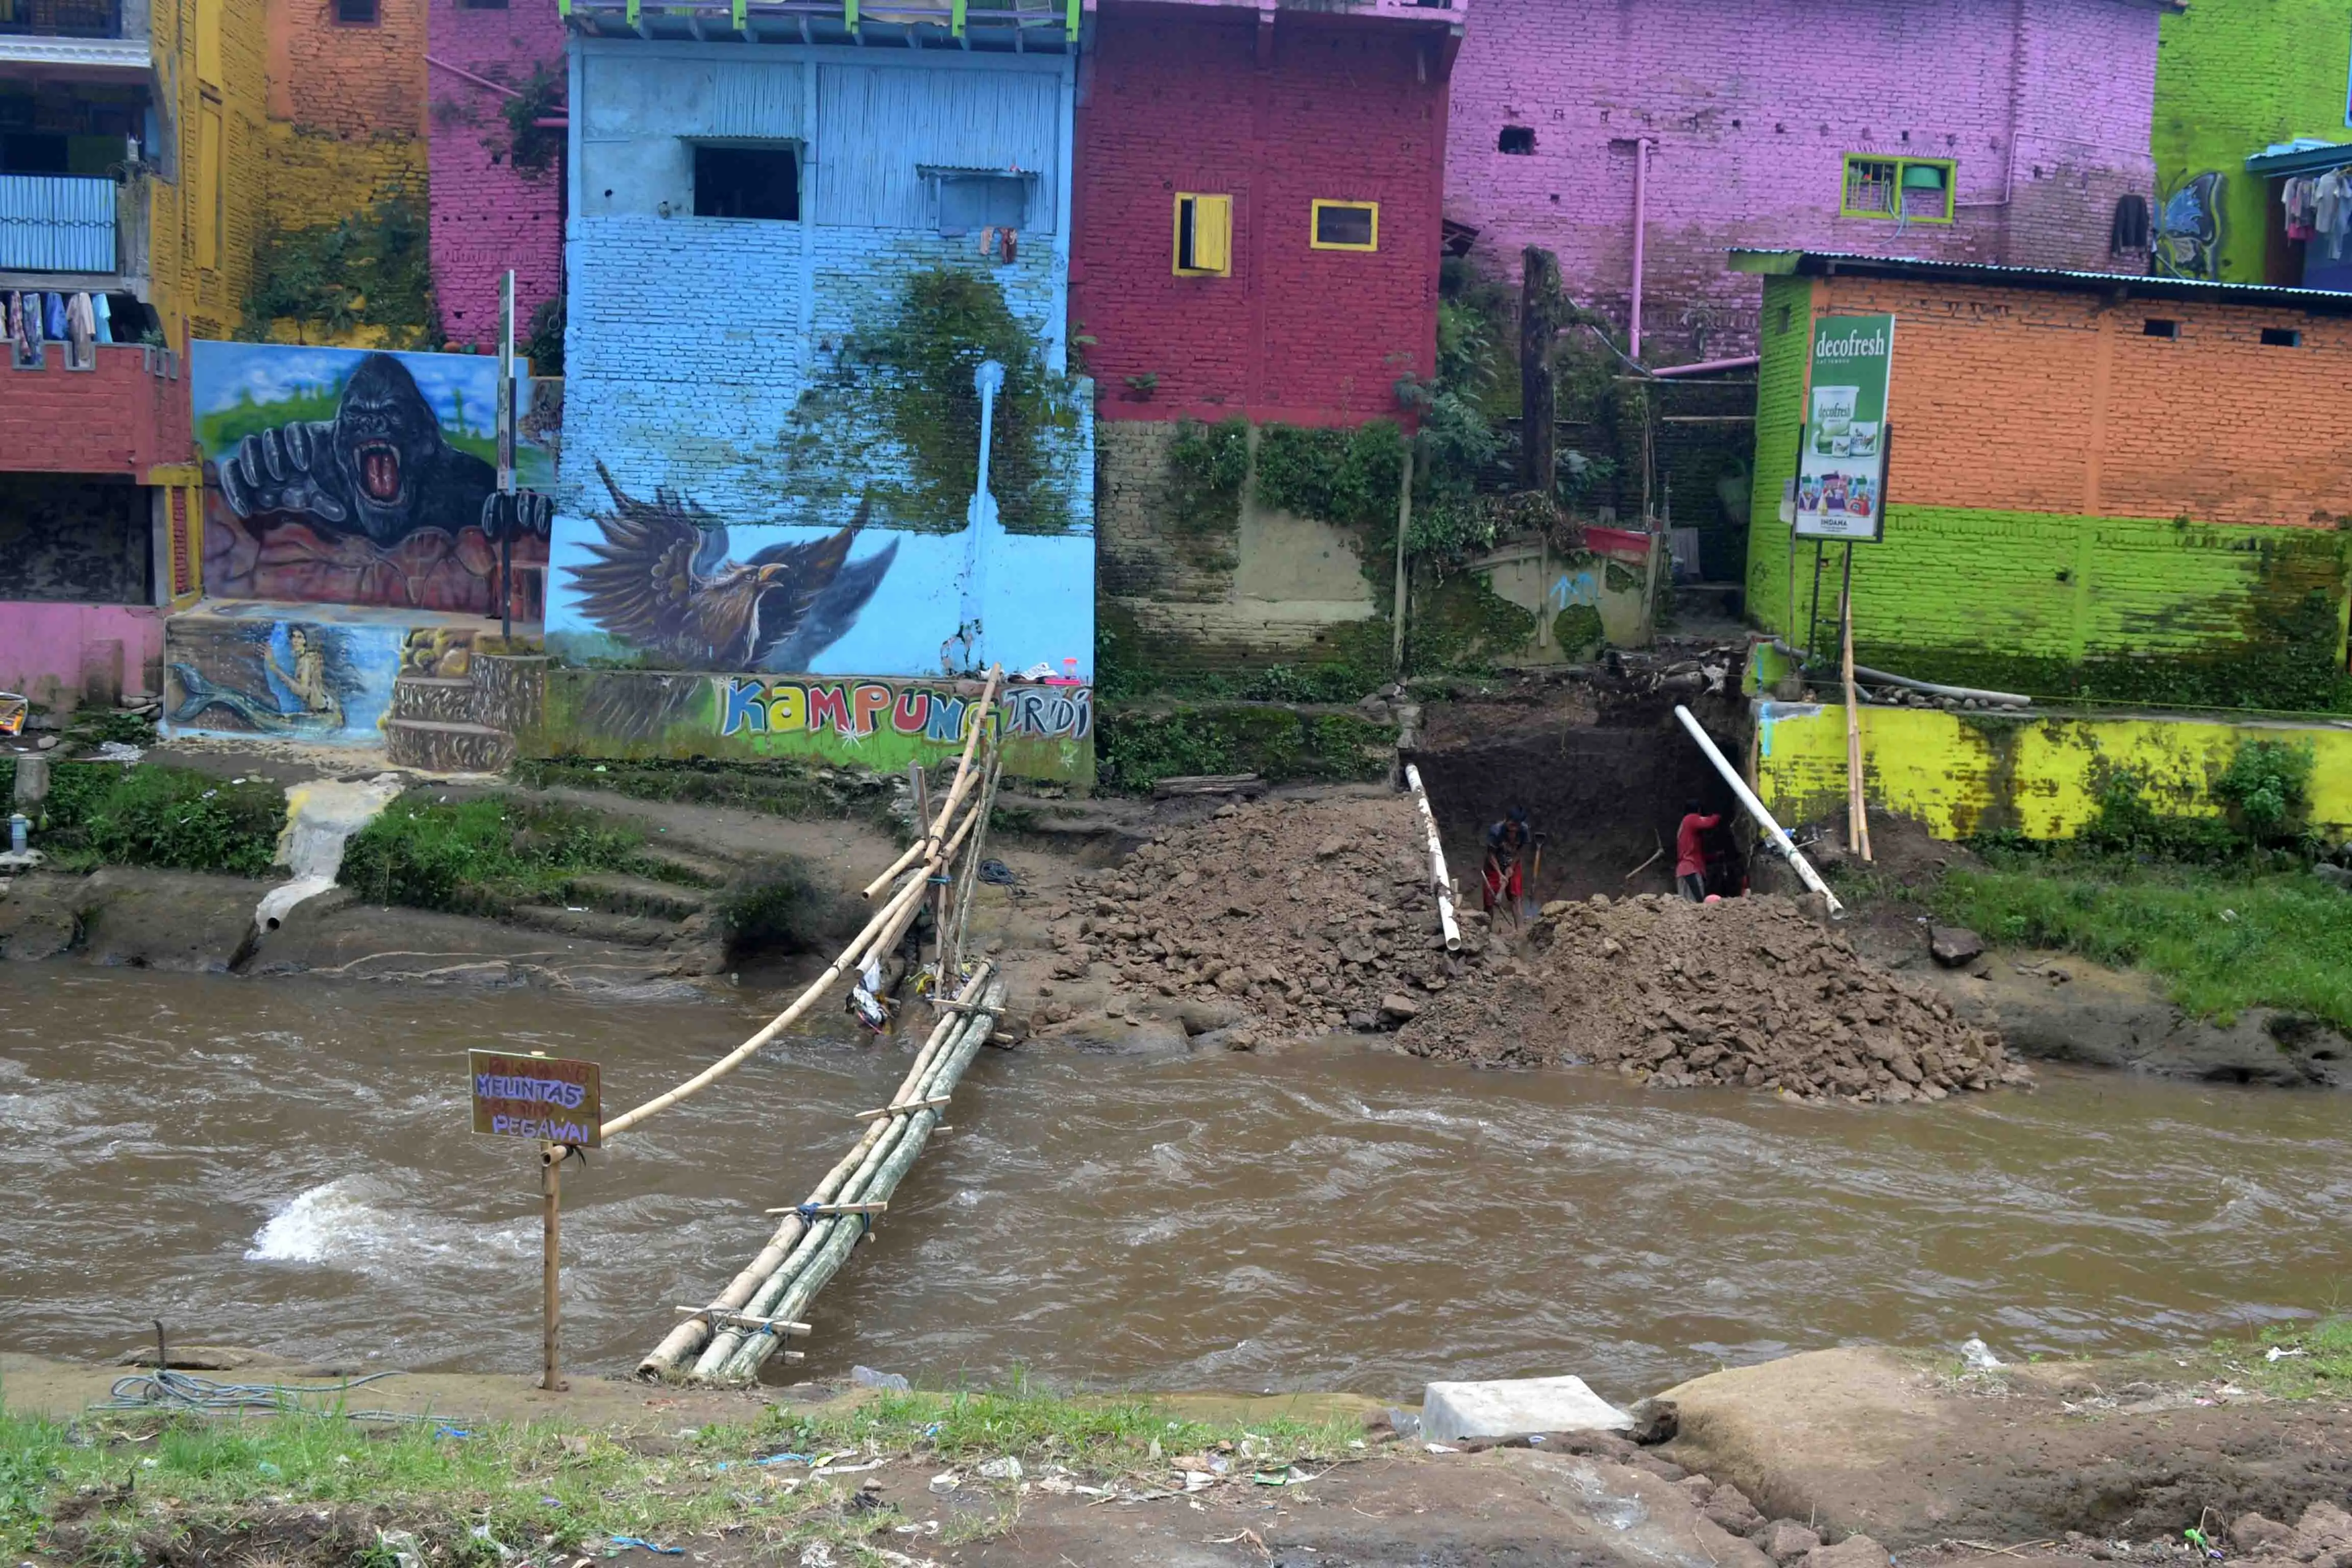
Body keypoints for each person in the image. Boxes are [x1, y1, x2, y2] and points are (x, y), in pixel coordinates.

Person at [1482, 807, 1535, 921]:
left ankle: (1520, 931)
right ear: (1506, 820)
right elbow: (1491, 854)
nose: (1514, 830)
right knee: (1490, 900)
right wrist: (1500, 874)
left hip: (1513, 863)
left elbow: (1521, 850)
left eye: (1517, 826)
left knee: (1516, 896)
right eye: (1512, 826)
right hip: (1494, 865)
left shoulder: (1524, 830)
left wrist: (1511, 867)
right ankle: (1487, 930)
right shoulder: (1496, 831)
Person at [1676, 800, 1722, 902]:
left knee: (1685, 906)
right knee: (1697, 904)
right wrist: (1719, 814)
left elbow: (1697, 854)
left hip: (1684, 870)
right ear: (1698, 810)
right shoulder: (1690, 819)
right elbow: (1710, 823)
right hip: (1690, 870)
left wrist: (1714, 857)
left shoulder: (1685, 828)